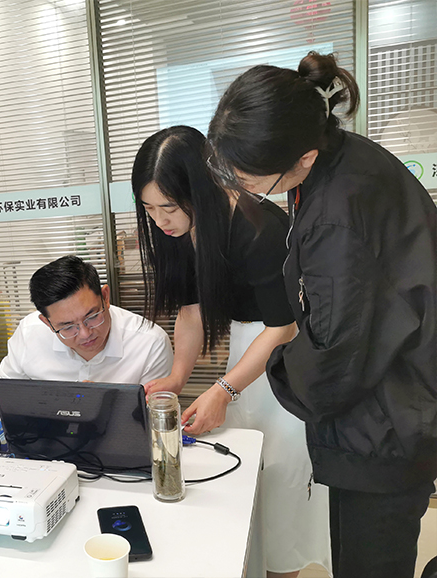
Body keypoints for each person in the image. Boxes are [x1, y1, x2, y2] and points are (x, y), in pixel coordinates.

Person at [207, 51, 437, 578]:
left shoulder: (337, 217)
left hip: (386, 427)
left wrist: (280, 368)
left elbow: (335, 355)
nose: (245, 189)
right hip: (391, 408)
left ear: (304, 158)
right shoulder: (342, 158)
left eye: (252, 179)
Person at [133, 125, 330, 578]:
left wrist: (223, 390)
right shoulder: (180, 231)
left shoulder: (259, 228)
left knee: (281, 477)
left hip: (289, 356)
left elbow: (283, 327)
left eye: (168, 207)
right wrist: (178, 376)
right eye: (148, 208)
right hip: (248, 349)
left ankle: (283, 569)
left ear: (201, 189)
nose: (160, 220)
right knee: (244, 475)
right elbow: (191, 310)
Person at [0, 255, 173, 418]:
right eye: (67, 327)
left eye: (92, 316)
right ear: (46, 323)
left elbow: (158, 417)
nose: (85, 333)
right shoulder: (30, 332)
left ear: (105, 297)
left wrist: (108, 403)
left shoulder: (149, 342)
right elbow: (5, 383)